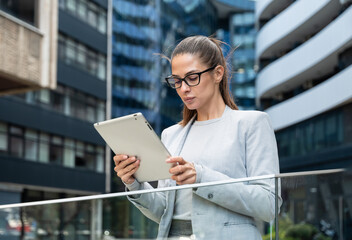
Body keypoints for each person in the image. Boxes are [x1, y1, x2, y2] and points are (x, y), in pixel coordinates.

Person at [113, 35, 282, 239]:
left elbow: (269, 205)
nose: (184, 89)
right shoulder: (171, 134)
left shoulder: (251, 124)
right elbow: (164, 213)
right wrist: (134, 184)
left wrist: (201, 178)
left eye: (192, 78)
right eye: (177, 81)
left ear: (218, 73)